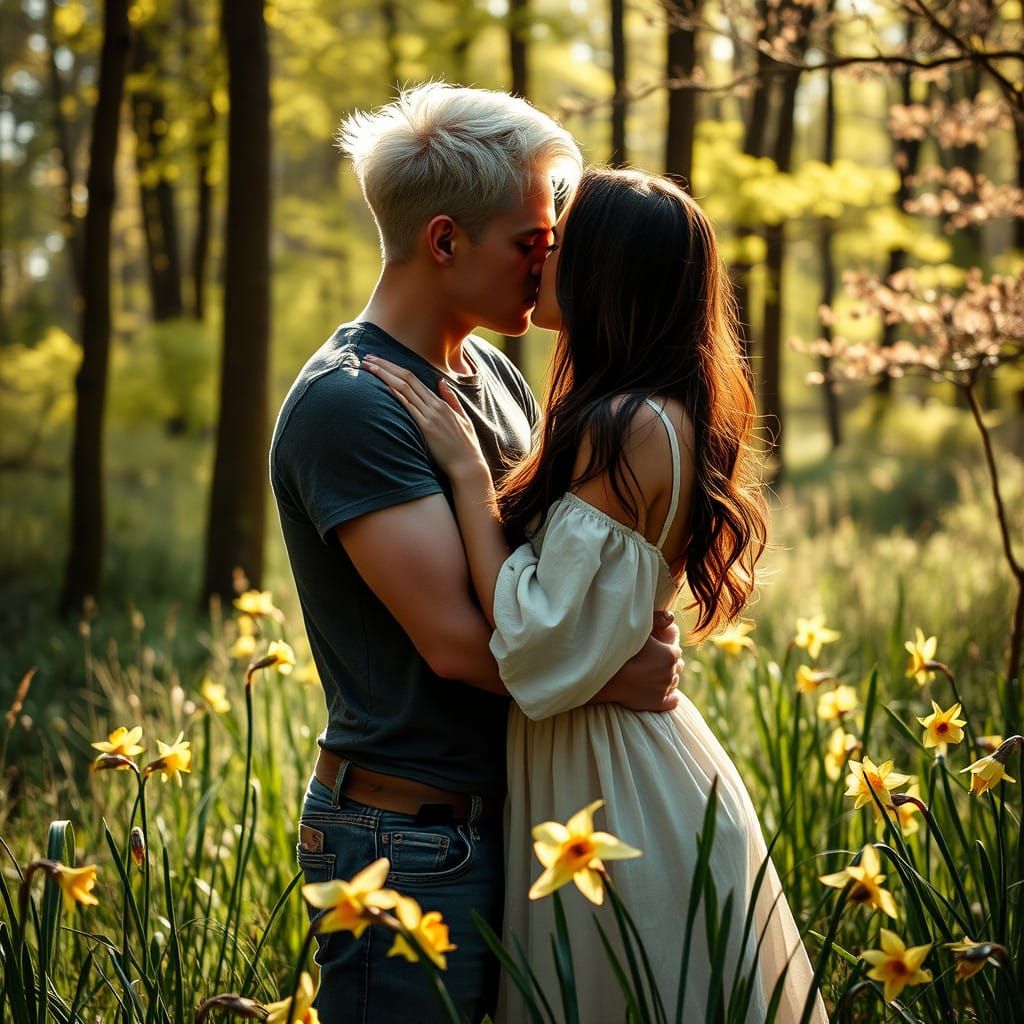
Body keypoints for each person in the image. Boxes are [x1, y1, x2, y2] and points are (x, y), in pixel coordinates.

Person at [363, 167, 829, 1022]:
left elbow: (535, 637)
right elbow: (578, 623)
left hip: (614, 787)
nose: (540, 261)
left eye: (561, 246)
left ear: (608, 275)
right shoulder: (648, 412)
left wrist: (468, 474)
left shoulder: (626, 427)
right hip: (615, 760)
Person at [269, 86, 684, 1023]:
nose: (551, 264)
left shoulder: (488, 369)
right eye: (530, 241)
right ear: (445, 241)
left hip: (508, 817)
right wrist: (618, 673)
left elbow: (544, 579)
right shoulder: (353, 403)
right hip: (407, 839)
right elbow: (459, 643)